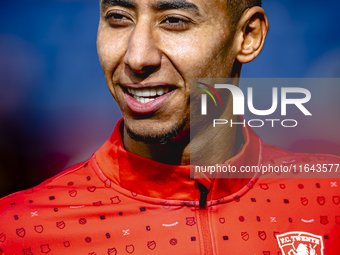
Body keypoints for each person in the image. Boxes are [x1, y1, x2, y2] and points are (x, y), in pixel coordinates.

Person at [0, 0, 339, 254]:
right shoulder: (17, 231)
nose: (137, 56)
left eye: (174, 21)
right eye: (118, 18)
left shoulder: (329, 198)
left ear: (247, 35)